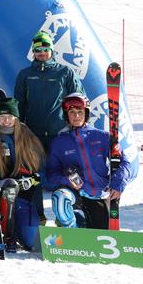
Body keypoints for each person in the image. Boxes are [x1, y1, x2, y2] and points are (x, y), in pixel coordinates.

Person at [47, 93, 132, 230]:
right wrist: (67, 180)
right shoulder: (59, 142)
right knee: (60, 198)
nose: (76, 116)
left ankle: (85, 226)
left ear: (86, 113)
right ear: (66, 115)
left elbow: (125, 162)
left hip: (98, 194)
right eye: (72, 112)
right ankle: (73, 233)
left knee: (100, 232)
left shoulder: (102, 137)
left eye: (80, 112)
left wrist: (118, 183)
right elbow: (51, 173)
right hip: (75, 194)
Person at [0, 97, 45, 251]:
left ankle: (19, 229)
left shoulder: (28, 136)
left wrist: (32, 180)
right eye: (2, 117)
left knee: (31, 242)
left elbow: (42, 169)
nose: (6, 121)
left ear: (16, 118)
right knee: (10, 187)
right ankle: (8, 235)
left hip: (24, 197)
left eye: (10, 117)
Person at [14, 31, 85, 150]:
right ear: (33, 52)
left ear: (51, 50)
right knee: (38, 168)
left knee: (61, 167)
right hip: (34, 134)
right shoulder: (25, 75)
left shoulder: (65, 72)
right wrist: (20, 128)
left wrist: (77, 126)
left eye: (45, 49)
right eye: (38, 50)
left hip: (61, 132)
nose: (42, 53)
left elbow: (79, 100)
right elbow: (19, 104)